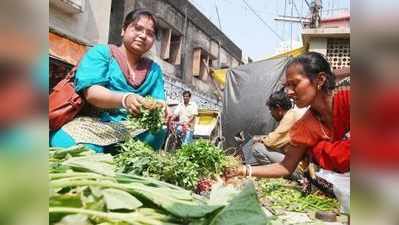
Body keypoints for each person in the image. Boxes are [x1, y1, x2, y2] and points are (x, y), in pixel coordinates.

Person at [50, 9, 167, 152]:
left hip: (132, 129)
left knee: (158, 131)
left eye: (150, 33)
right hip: (91, 125)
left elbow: (159, 100)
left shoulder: (154, 70)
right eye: (137, 28)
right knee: (84, 154)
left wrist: (161, 107)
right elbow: (92, 93)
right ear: (124, 30)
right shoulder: (102, 53)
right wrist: (126, 99)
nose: (143, 35)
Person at [225, 51, 350, 179]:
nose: (289, 92)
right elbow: (286, 166)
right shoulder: (305, 125)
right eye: (287, 86)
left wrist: (314, 151)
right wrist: (243, 170)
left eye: (294, 84)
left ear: (320, 80)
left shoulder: (350, 101)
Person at [242, 89, 306, 166]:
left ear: (278, 108)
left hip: (297, 165)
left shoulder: (290, 117)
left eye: (271, 110)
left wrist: (259, 139)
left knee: (257, 148)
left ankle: (275, 172)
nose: (271, 114)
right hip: (297, 161)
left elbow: (272, 141)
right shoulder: (292, 114)